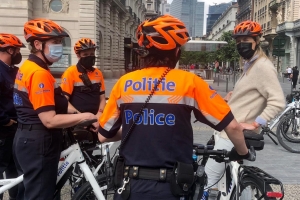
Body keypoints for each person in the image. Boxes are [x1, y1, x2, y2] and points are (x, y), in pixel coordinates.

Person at [97, 15, 254, 200]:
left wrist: (143, 127)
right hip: (173, 188)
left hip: (131, 187)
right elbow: (232, 127)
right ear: (176, 51)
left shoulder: (124, 83)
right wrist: (243, 152)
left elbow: (103, 136)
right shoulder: (190, 82)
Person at [13, 18, 99, 200]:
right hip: (39, 142)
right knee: (40, 196)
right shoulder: (39, 73)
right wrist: (84, 116)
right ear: (37, 44)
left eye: (60, 42)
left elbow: (57, 101)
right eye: (55, 42)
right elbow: (49, 119)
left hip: (27, 139)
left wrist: (79, 115)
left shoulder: (30, 66)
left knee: (34, 191)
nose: (59, 46)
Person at [204, 20, 285, 199]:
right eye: (238, 41)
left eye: (246, 39)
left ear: (256, 40)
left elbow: (278, 101)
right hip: (232, 131)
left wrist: (256, 123)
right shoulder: (250, 65)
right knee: (233, 181)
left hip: (232, 135)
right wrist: (234, 96)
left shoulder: (263, 67)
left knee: (206, 180)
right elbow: (254, 92)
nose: (242, 44)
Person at [0, 33, 25, 200]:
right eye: (17, 50)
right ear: (10, 50)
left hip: (14, 129)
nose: (19, 54)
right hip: (3, 129)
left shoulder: (14, 71)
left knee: (15, 172)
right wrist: (5, 120)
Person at [60, 38, 106, 118]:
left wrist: (99, 114)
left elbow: (102, 98)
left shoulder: (98, 73)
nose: (90, 57)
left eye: (92, 54)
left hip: (96, 118)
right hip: (77, 120)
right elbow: (64, 101)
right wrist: (81, 117)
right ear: (78, 55)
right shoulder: (70, 72)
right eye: (85, 55)